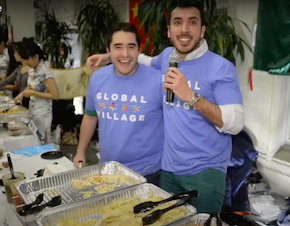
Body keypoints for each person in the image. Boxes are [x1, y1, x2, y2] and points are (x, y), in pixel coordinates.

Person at [85, 0, 245, 214]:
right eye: (178, 22)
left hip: (204, 172)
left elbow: (235, 123)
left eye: (192, 22)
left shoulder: (220, 67)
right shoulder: (168, 57)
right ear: (169, 31)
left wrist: (190, 96)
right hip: (167, 171)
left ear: (202, 30)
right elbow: (141, 59)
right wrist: (110, 56)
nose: (185, 29)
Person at [73, 23, 164, 185]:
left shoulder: (158, 80)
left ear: (139, 49)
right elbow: (90, 116)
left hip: (148, 173)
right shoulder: (97, 78)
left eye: (131, 46)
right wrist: (80, 151)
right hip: (108, 170)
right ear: (108, 50)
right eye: (118, 47)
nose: (125, 54)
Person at [15, 38, 59, 143]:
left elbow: (55, 95)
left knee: (43, 142)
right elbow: (31, 86)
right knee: (35, 140)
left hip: (43, 113)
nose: (26, 62)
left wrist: (33, 93)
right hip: (34, 111)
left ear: (36, 57)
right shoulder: (33, 69)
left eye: (27, 59)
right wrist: (21, 94)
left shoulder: (45, 72)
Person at [0, 42, 30, 108]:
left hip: (29, 99)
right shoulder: (19, 68)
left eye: (15, 53)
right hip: (20, 99)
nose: (14, 55)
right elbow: (7, 81)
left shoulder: (31, 69)